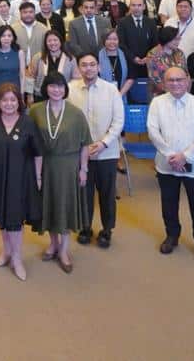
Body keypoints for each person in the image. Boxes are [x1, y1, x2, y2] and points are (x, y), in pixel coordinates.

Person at [147, 66, 194, 262]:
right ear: (165, 83)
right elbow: (153, 131)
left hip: (193, 163)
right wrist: (171, 155)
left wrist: (185, 156)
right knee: (168, 202)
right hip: (166, 163)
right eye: (171, 80)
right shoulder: (157, 103)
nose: (175, 84)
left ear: (188, 81)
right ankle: (172, 235)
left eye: (179, 79)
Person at [0, 82, 42, 281]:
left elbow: (38, 153)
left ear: (19, 102)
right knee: (1, 216)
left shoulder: (27, 122)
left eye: (13, 100)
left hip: (20, 178)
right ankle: (6, 250)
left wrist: (38, 177)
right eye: (4, 100)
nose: (8, 104)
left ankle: (17, 258)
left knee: (15, 219)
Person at [29, 74, 91, 274]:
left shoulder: (76, 113)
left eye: (60, 87)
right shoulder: (35, 111)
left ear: (65, 89)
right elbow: (29, 142)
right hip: (44, 165)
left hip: (68, 166)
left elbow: (85, 145)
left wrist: (83, 169)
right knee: (48, 205)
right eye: (52, 86)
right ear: (46, 88)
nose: (56, 90)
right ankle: (53, 243)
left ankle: (64, 250)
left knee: (65, 206)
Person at [67, 54, 124, 249]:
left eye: (92, 65)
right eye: (84, 65)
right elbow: (66, 119)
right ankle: (85, 227)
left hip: (107, 152)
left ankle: (107, 230)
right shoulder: (70, 89)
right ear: (79, 68)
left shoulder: (111, 90)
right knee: (84, 192)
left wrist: (103, 143)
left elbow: (118, 121)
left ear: (99, 67)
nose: (88, 68)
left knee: (107, 193)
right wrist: (81, 145)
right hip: (80, 152)